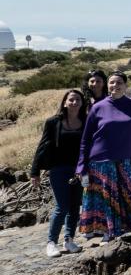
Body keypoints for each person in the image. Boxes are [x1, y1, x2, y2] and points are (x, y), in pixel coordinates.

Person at [78, 71, 131, 243]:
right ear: (107, 85)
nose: (115, 85)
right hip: (100, 160)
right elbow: (86, 139)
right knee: (107, 198)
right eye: (112, 82)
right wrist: (81, 166)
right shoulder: (97, 107)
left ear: (125, 85)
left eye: (119, 82)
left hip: (128, 158)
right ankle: (109, 232)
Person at [32, 90, 86, 257]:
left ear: (82, 103)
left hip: (79, 169)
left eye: (78, 100)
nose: (74, 102)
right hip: (58, 169)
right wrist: (35, 171)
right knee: (61, 206)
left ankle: (69, 240)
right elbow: (43, 146)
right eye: (71, 100)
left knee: (75, 206)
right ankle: (51, 242)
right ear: (65, 102)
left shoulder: (85, 121)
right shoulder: (53, 122)